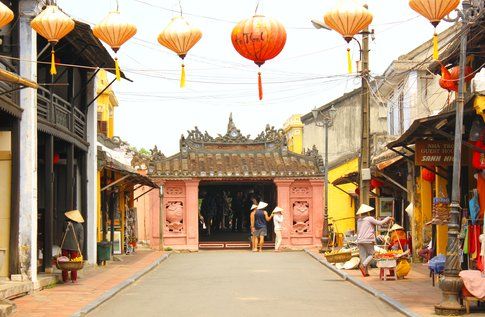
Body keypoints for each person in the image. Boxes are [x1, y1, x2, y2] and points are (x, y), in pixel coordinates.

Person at [356, 204, 394, 277]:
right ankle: (363, 266)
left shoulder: (359, 220)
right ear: (368, 212)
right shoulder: (369, 218)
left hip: (359, 240)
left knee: (363, 256)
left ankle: (365, 272)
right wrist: (388, 218)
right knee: (372, 254)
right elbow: (380, 223)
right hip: (368, 240)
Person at [61, 210, 84, 283]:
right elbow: (81, 239)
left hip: (64, 245)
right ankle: (74, 279)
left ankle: (65, 279)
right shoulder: (80, 226)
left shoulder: (66, 224)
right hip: (74, 247)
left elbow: (62, 235)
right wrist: (80, 249)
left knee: (64, 262)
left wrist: (60, 244)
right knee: (74, 263)